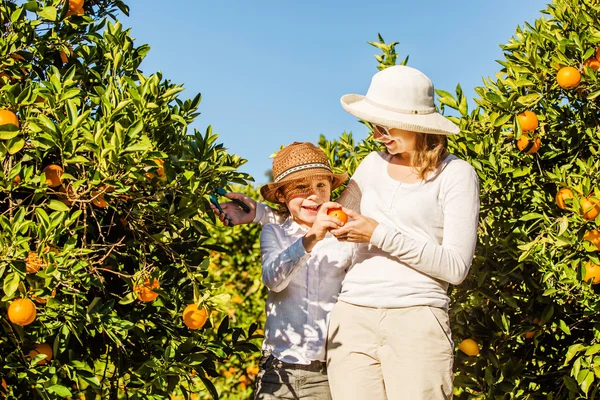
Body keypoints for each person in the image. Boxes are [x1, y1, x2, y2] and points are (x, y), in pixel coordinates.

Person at [213, 65, 480, 400]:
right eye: (371, 124)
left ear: (412, 123)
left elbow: (455, 267)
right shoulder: (372, 164)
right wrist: (261, 214)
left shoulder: (457, 175)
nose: (374, 134)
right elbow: (326, 214)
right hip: (352, 317)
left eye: (382, 125)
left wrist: (377, 233)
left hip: (416, 316)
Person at [245, 142, 356, 400]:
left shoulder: (346, 237)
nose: (313, 195)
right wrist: (310, 239)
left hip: (327, 372)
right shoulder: (274, 232)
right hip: (277, 368)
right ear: (282, 196)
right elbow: (274, 280)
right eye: (301, 187)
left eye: (321, 186)